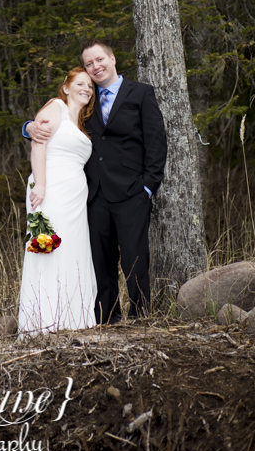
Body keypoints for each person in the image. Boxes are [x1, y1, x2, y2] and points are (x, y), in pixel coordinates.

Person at [23, 39, 167, 324]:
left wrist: (148, 185)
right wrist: (28, 128)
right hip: (93, 195)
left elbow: (156, 141)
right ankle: (107, 317)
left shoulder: (140, 93)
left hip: (132, 192)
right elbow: (53, 124)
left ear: (112, 59)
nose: (95, 67)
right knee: (100, 261)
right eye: (89, 64)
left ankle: (140, 318)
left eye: (99, 60)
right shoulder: (84, 103)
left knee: (134, 258)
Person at [18, 67, 97, 335]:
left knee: (73, 252)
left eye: (90, 86)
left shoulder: (82, 124)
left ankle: (74, 321)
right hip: (51, 191)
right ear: (66, 87)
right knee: (50, 251)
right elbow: (37, 142)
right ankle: (43, 323)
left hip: (75, 200)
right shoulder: (56, 107)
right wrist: (40, 184)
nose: (86, 89)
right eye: (81, 84)